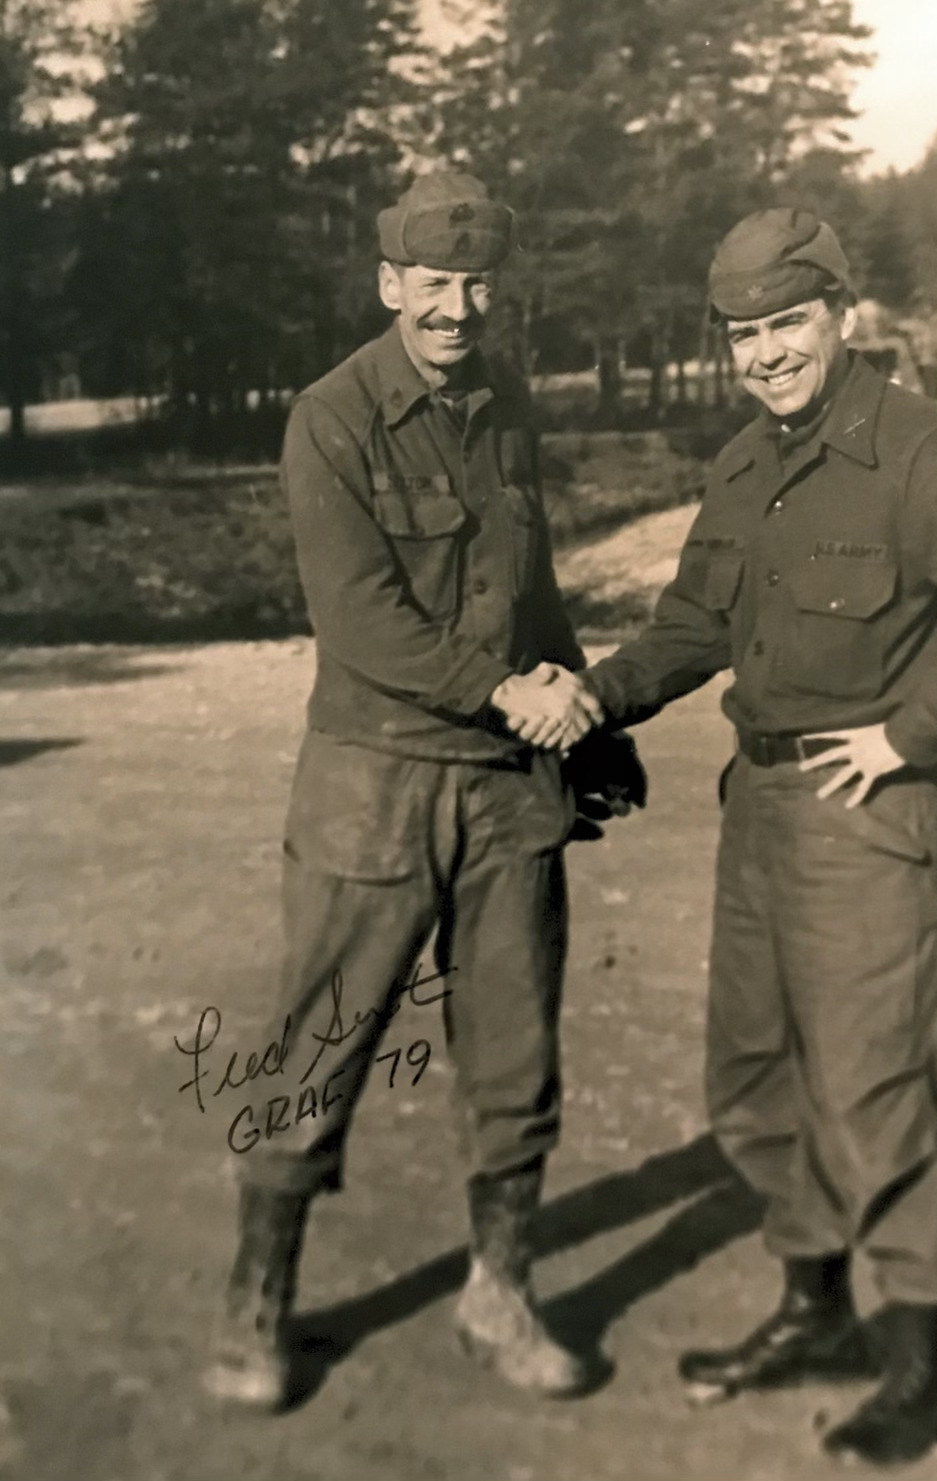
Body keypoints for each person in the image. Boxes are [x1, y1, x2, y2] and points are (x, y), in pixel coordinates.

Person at [578, 207, 937, 1465]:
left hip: (871, 814)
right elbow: (695, 617)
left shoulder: (914, 449)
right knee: (757, 1076)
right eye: (743, 334)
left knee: (880, 1086)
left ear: (838, 315)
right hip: (758, 813)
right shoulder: (745, 463)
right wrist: (601, 689)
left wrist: (911, 729)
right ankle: (817, 1312)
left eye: (786, 324)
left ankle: (926, 1361)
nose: (764, 354)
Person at [204, 170, 642, 1409]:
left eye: (476, 282)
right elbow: (361, 622)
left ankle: (498, 1291)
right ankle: (255, 1304)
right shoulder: (329, 417)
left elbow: (529, 575)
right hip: (375, 781)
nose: (457, 306)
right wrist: (510, 695)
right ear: (389, 283)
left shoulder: (504, 402)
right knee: (319, 1044)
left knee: (514, 1048)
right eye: (432, 283)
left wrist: (582, 726)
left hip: (508, 788)